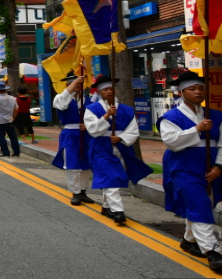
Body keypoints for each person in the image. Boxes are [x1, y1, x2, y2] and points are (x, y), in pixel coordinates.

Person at [158, 71, 222, 270]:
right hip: (183, 166)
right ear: (181, 92)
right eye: (192, 89)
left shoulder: (216, 115)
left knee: (204, 202)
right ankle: (212, 251)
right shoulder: (170, 117)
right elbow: (171, 142)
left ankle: (189, 240)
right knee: (199, 203)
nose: (197, 92)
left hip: (211, 166)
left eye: (201, 88)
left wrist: (219, 166)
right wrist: (197, 129)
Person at [84, 75, 153, 225]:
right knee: (111, 177)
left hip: (121, 147)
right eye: (105, 89)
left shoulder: (127, 110)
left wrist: (120, 138)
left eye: (111, 89)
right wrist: (107, 116)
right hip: (100, 148)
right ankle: (118, 211)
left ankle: (106, 206)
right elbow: (92, 130)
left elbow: (133, 131)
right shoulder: (92, 109)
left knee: (111, 178)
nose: (109, 91)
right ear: (99, 92)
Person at [51, 71, 94, 206]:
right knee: (72, 164)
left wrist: (89, 125)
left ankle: (83, 191)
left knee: (86, 165)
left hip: (87, 134)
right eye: (73, 84)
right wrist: (74, 83)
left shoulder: (90, 101)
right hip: (70, 135)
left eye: (79, 84)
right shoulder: (60, 98)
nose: (76, 86)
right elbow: (62, 104)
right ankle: (75, 193)